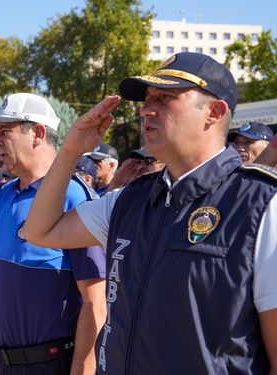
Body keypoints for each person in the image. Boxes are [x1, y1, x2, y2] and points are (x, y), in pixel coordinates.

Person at [23, 52, 277, 375]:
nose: (147, 109)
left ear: (214, 112)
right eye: (146, 99)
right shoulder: (130, 200)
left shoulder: (261, 204)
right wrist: (71, 149)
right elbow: (39, 230)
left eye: (166, 98)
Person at [0, 93, 106, 375]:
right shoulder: (5, 193)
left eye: (5, 132)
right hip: (0, 361)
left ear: (38, 134)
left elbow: (95, 303)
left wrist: (82, 369)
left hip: (47, 363)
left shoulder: (73, 194)